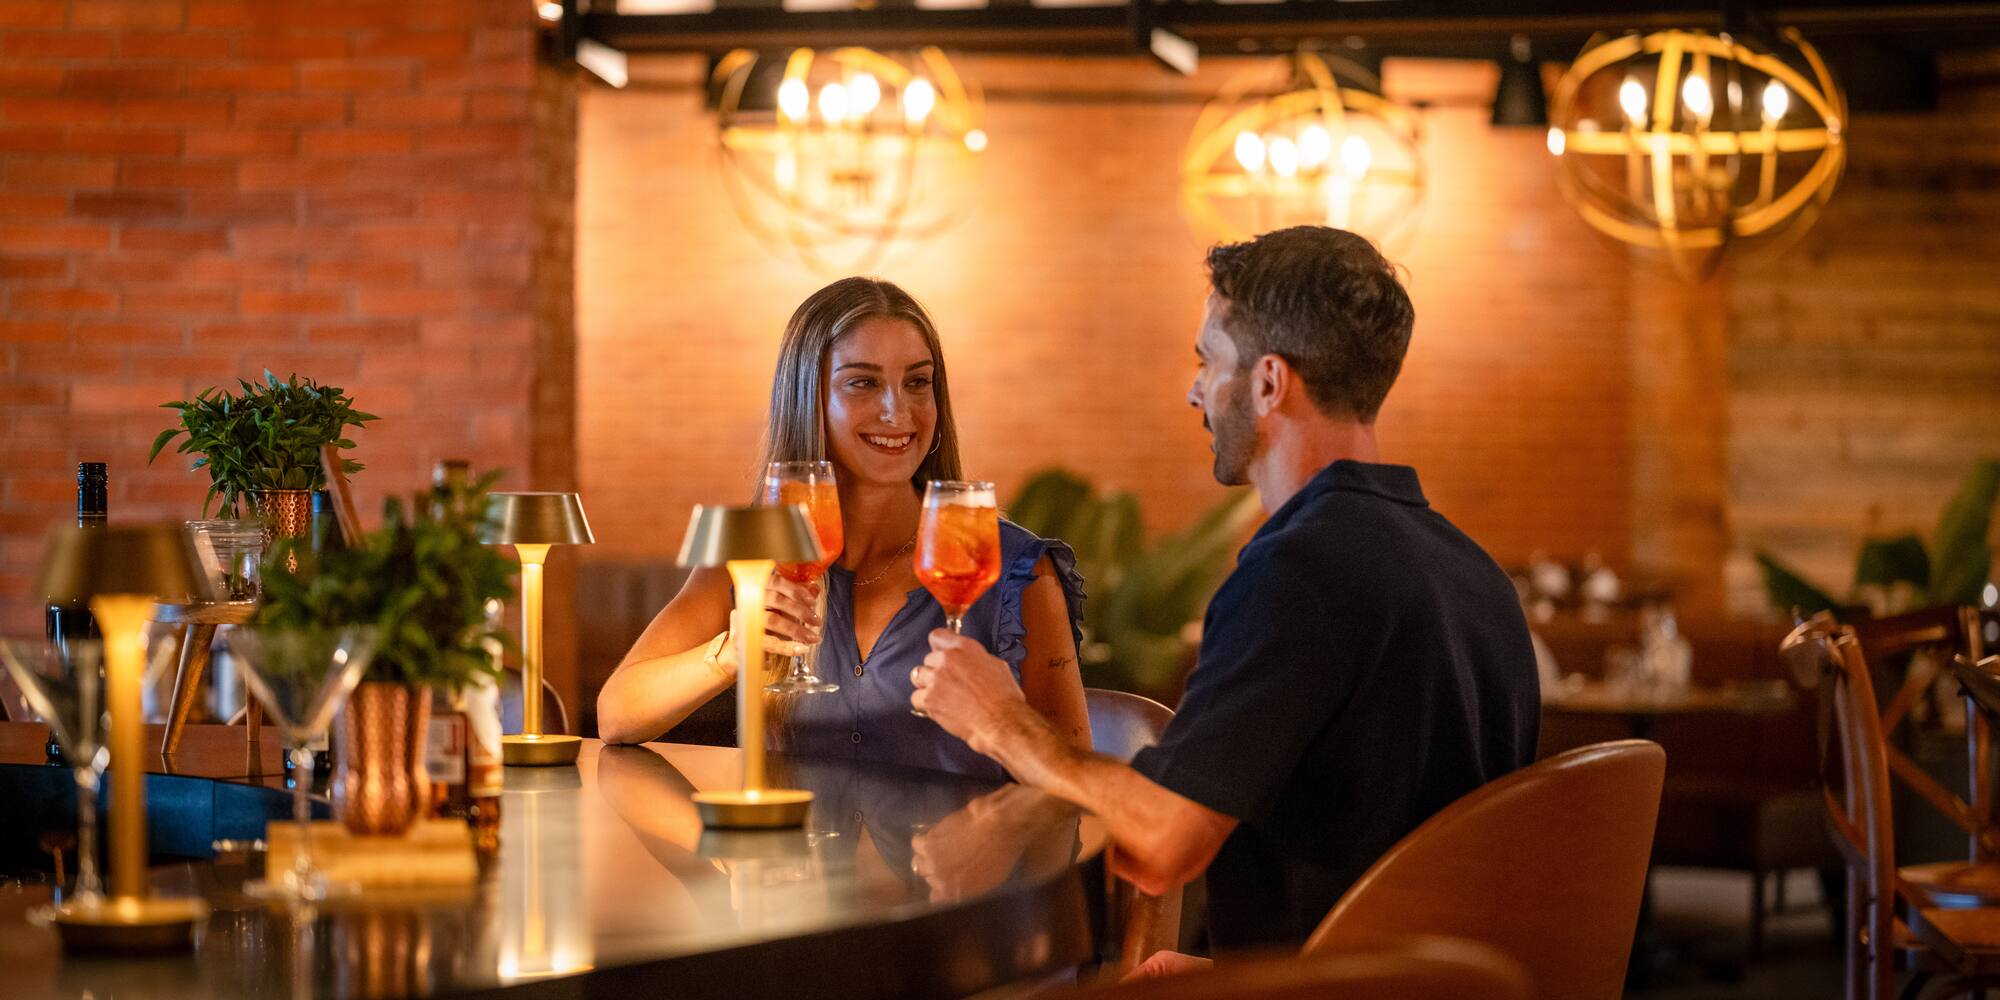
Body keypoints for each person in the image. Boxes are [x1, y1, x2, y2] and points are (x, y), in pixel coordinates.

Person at [911, 227, 1541, 967]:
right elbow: (1400, 866)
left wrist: (1001, 723)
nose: (1194, 389)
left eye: (1208, 360)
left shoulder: (1298, 576)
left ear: (1269, 383)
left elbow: (1163, 841)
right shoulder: (1475, 573)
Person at [598, 277, 1091, 778]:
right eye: (864, 382)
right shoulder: (752, 554)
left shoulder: (1015, 569)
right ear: (808, 399)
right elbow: (617, 715)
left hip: (959, 856)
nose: (898, 412)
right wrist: (731, 653)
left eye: (917, 383)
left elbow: (1078, 783)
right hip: (787, 857)